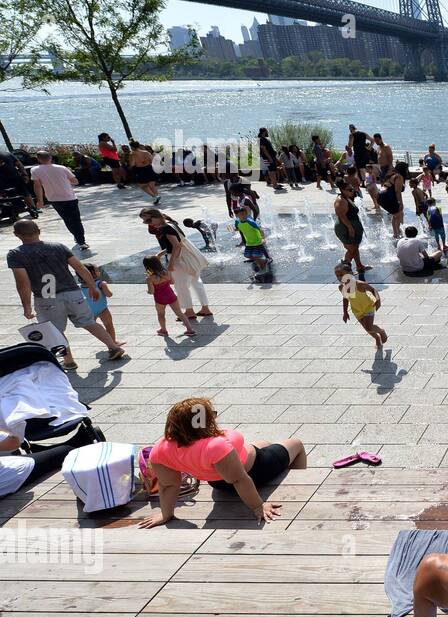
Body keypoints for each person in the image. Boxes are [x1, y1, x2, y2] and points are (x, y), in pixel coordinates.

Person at [141, 397, 304, 527]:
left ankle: (269, 449)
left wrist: (166, 514)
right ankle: (298, 477)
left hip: (218, 483)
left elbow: (169, 485)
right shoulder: (215, 446)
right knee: (296, 444)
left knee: (264, 442)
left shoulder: (160, 449)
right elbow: (239, 479)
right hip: (257, 470)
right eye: (212, 414)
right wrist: (257, 506)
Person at [7, 220, 126, 369]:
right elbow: (81, 268)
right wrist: (92, 287)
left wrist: (26, 306)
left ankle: (69, 360)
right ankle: (113, 347)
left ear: (16, 235)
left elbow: (23, 283)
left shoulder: (16, 254)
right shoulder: (58, 247)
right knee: (89, 322)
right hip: (72, 291)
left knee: (55, 331)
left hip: (47, 296)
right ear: (39, 230)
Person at [139, 208, 211, 321]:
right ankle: (205, 308)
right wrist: (162, 253)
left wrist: (171, 264)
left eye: (148, 221)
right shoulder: (171, 223)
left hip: (180, 260)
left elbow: (176, 246)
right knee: (196, 281)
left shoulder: (166, 228)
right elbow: (177, 243)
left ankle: (189, 311)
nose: (149, 224)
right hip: (190, 256)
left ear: (155, 216)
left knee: (181, 285)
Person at [28, 150, 88, 252]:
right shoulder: (62, 168)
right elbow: (75, 181)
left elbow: (37, 186)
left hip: (54, 199)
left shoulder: (35, 170)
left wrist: (40, 201)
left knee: (67, 219)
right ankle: (81, 240)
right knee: (76, 220)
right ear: (50, 158)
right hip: (70, 197)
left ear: (38, 159)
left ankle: (78, 238)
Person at [143, 254, 197, 338]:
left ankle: (163, 330)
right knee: (180, 313)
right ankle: (190, 330)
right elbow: (172, 282)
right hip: (171, 296)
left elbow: (152, 291)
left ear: (147, 266)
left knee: (161, 314)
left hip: (160, 299)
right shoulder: (167, 272)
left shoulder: (149, 278)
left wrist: (148, 291)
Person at [336, 263, 387, 347]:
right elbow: (345, 298)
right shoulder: (341, 287)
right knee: (366, 328)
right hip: (356, 310)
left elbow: (373, 290)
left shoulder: (359, 284)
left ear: (351, 274)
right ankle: (377, 338)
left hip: (368, 307)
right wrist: (345, 312)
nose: (339, 277)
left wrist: (378, 300)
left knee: (369, 327)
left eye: (342, 275)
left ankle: (381, 331)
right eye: (337, 276)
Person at [334, 182, 368, 275]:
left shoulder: (347, 198)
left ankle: (359, 266)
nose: (352, 191)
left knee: (355, 247)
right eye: (349, 190)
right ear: (342, 190)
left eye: (352, 189)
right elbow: (341, 216)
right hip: (345, 228)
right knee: (351, 249)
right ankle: (344, 269)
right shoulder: (341, 200)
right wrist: (350, 228)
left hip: (351, 226)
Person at [79, 262, 117, 344]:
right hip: (103, 309)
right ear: (91, 273)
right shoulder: (100, 284)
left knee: (95, 328)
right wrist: (105, 286)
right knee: (109, 326)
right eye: (97, 270)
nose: (99, 272)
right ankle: (113, 343)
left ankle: (107, 341)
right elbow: (109, 295)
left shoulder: (79, 286)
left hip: (90, 311)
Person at [233, 205, 271, 279]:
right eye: (241, 214)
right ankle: (263, 262)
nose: (244, 216)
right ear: (237, 215)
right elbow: (241, 229)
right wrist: (236, 231)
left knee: (256, 255)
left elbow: (260, 229)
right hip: (249, 242)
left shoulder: (250, 222)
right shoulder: (238, 222)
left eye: (245, 214)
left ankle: (262, 267)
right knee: (247, 255)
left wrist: (263, 238)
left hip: (257, 241)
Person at [377, 164, 406, 239]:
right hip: (386, 196)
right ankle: (397, 233)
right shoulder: (399, 176)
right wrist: (400, 203)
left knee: (395, 215)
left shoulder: (392, 175)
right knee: (399, 214)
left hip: (380, 196)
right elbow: (397, 191)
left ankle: (395, 233)